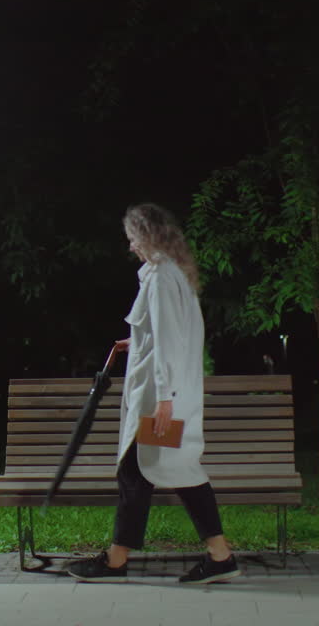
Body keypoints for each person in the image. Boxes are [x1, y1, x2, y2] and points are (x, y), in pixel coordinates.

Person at [67, 203, 241, 585]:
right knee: (166, 469)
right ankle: (218, 554)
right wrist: (138, 339)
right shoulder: (173, 275)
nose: (131, 247)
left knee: (141, 469)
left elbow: (168, 341)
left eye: (132, 239)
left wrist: (164, 397)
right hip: (170, 395)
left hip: (161, 400)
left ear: (146, 236)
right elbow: (168, 335)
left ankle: (118, 561)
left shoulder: (162, 278)